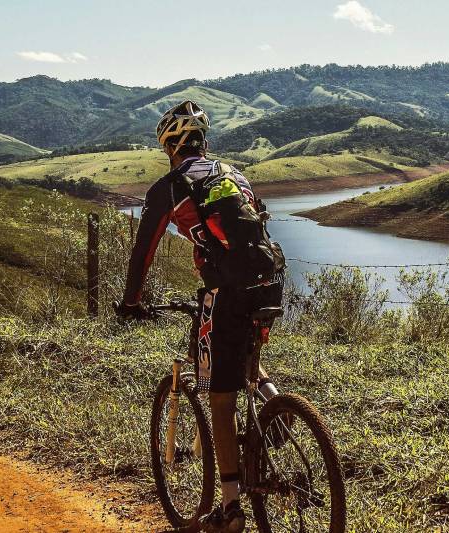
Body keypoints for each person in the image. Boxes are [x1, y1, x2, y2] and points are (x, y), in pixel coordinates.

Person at [115, 101, 284, 532]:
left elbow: (143, 251)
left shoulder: (170, 187)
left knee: (221, 400)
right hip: (269, 281)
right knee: (246, 360)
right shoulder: (233, 174)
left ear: (169, 147)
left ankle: (230, 510)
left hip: (225, 291)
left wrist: (131, 301)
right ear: (203, 142)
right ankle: (277, 405)